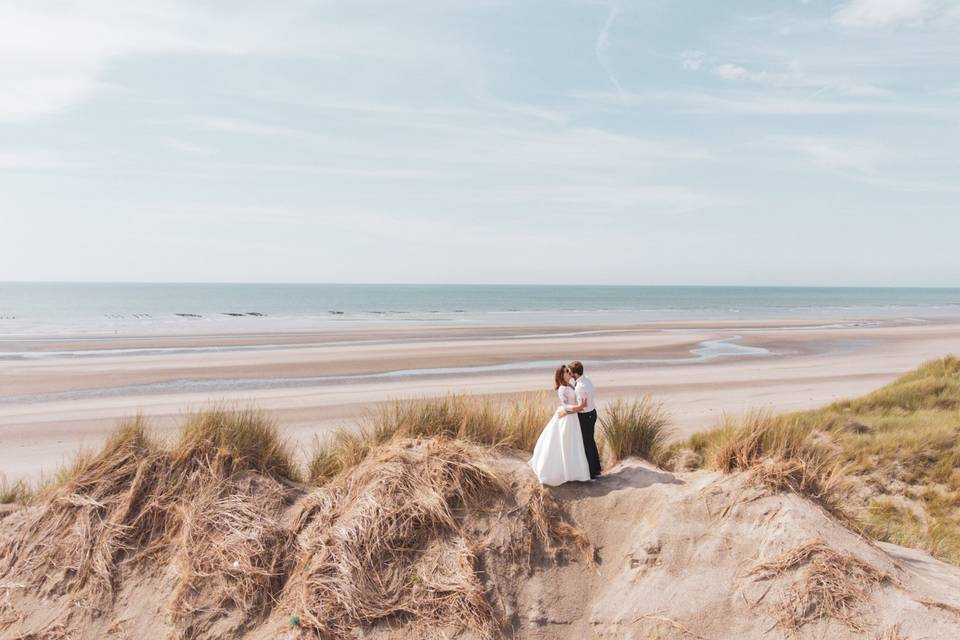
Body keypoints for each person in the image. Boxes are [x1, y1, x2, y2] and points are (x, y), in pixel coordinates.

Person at [528, 365, 592, 486]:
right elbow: (565, 406)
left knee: (573, 444)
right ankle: (565, 474)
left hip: (572, 417)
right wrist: (578, 407)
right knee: (565, 444)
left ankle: (575, 473)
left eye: (568, 370)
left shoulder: (570, 385)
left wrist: (578, 407)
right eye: (566, 371)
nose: (569, 372)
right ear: (561, 375)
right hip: (567, 419)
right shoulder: (562, 389)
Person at [558, 360, 601, 478]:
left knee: (587, 444)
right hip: (592, 413)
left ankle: (592, 473)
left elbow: (582, 407)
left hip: (586, 416)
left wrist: (566, 412)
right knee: (590, 442)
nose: (568, 373)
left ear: (575, 373)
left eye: (569, 371)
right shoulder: (585, 379)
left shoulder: (580, 387)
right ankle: (596, 469)